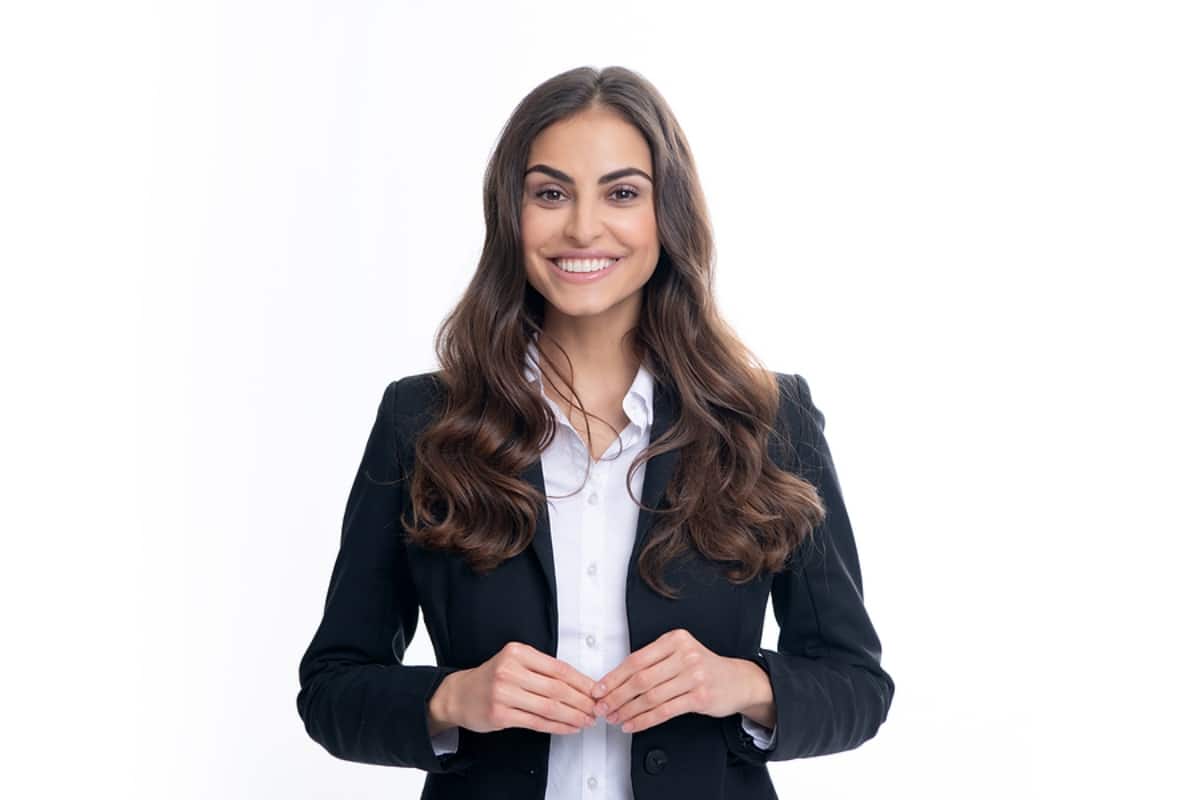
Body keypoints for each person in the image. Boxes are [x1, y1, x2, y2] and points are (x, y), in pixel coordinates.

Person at [296, 65, 894, 800]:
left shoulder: (766, 419)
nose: (583, 227)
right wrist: (452, 700)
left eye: (621, 193)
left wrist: (740, 683)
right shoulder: (422, 422)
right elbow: (331, 687)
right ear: (509, 214)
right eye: (550, 193)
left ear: (665, 213)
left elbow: (857, 685)